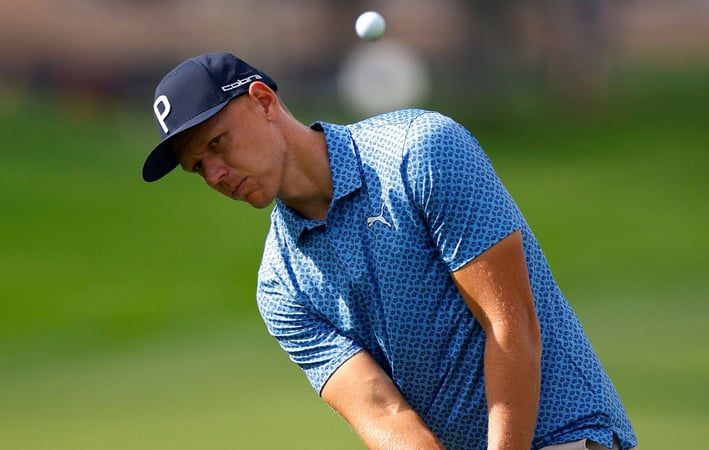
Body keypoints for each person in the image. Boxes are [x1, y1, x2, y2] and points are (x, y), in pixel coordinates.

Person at [142, 52, 638, 450]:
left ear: (264, 101)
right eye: (198, 168)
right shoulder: (280, 285)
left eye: (218, 143)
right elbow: (383, 413)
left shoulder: (420, 152)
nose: (215, 175)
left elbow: (509, 327)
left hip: (568, 433)